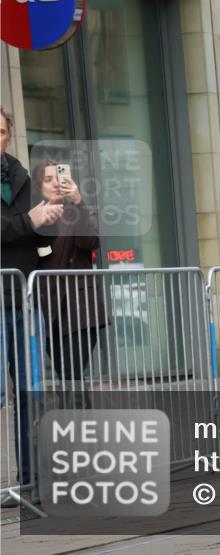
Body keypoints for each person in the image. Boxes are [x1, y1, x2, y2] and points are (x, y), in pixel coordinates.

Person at [0, 107, 62, 495]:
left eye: (1, 130)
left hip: (22, 300)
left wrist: (49, 222)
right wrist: (29, 223)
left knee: (28, 390)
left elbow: (41, 242)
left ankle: (29, 480)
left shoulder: (21, 177)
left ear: (9, 135)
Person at [32, 160, 107, 406]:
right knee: (68, 377)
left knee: (71, 374)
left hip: (81, 311)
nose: (55, 183)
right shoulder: (34, 217)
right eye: (48, 179)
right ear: (38, 186)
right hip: (49, 312)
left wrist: (79, 201)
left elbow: (90, 242)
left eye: (59, 177)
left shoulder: (79, 210)